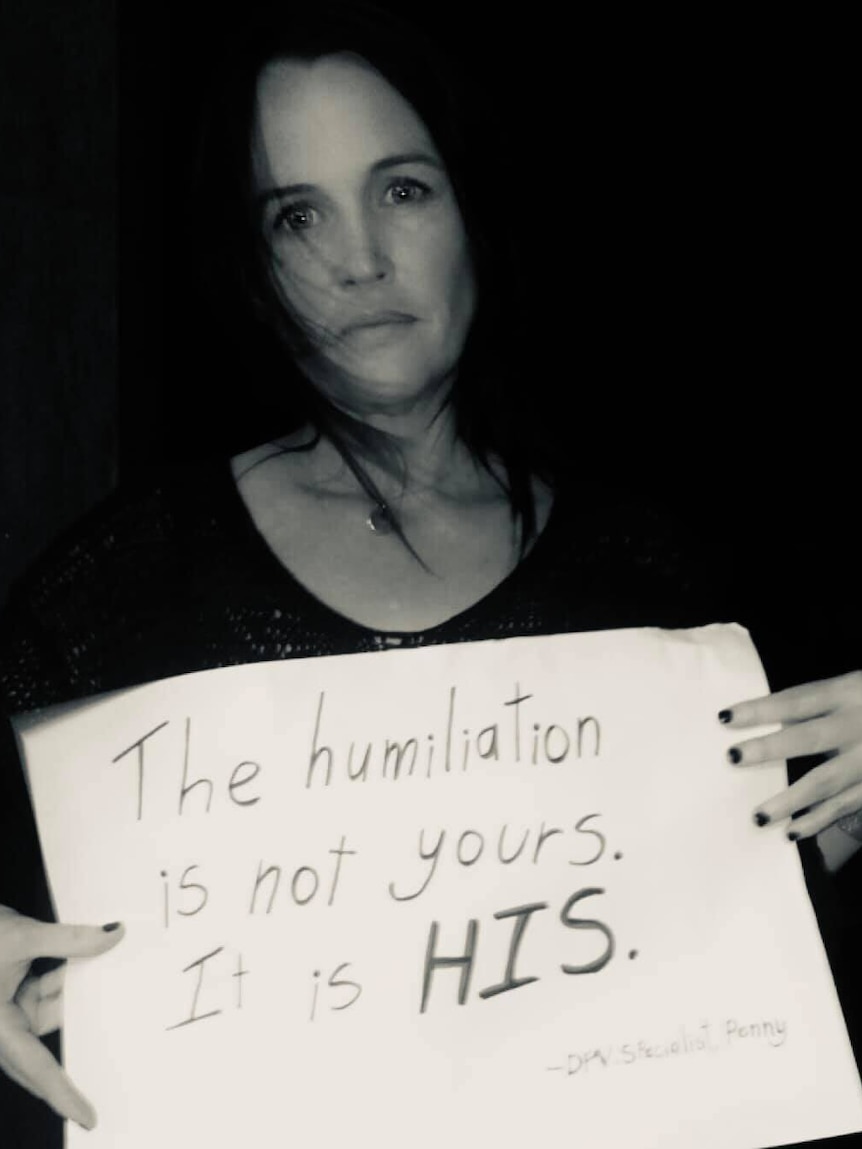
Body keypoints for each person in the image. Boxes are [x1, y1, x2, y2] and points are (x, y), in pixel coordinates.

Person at [1, 2, 860, 1143]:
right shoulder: (124, 579)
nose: (357, 261)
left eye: (401, 189)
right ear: (252, 264)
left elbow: (766, 926)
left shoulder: (660, 573)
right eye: (297, 214)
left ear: (471, 208)